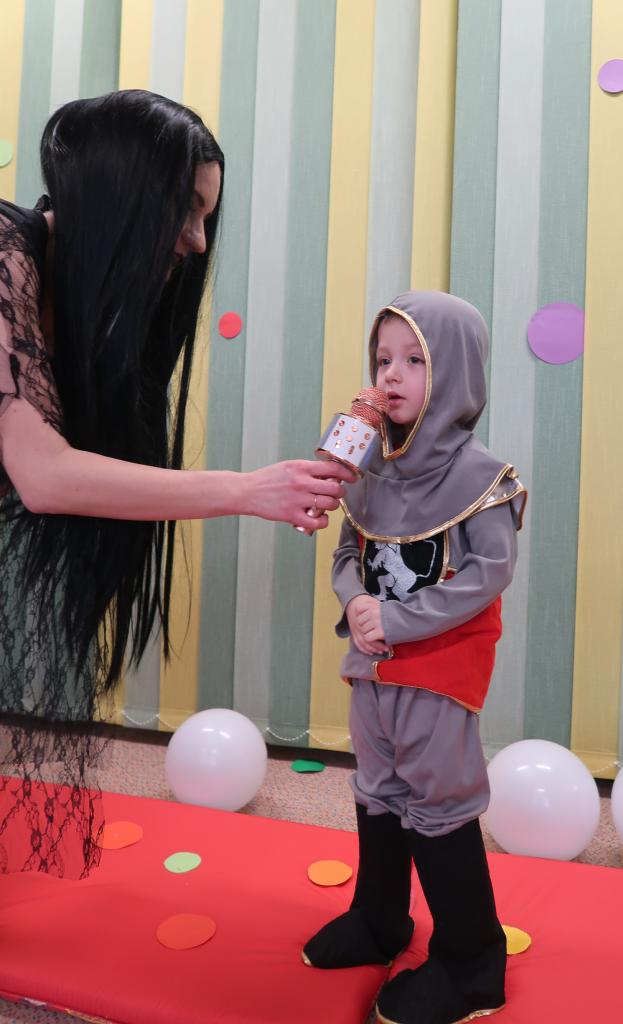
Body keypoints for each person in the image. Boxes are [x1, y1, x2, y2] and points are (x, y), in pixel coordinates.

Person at [0, 90, 353, 878]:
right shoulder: (3, 250)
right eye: (186, 210)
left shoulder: (78, 295)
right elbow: (43, 475)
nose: (196, 242)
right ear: (120, 191)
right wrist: (248, 490)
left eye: (205, 218)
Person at [302, 291, 527, 1024]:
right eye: (382, 359)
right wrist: (355, 604)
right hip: (372, 666)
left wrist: (397, 616)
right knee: (378, 788)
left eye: (413, 360)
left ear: (455, 371)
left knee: (439, 800)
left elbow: (487, 573)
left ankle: (471, 963)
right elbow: (349, 553)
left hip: (439, 672)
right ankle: (379, 919)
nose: (390, 375)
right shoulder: (368, 467)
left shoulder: (481, 477)